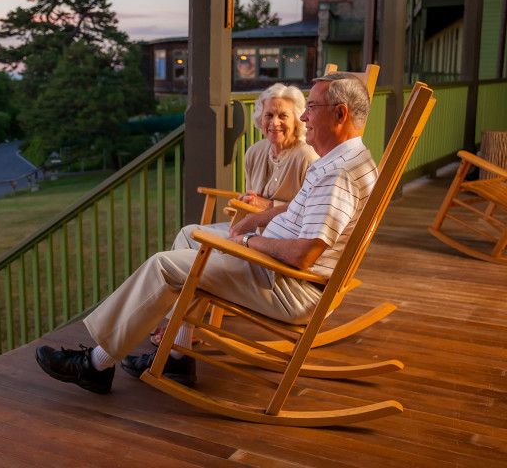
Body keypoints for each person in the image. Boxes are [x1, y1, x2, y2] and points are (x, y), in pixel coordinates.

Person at [35, 73, 377, 395]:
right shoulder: (343, 161)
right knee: (192, 246)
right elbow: (296, 214)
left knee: (166, 265)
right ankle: (178, 359)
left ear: (340, 114)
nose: (304, 119)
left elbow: (303, 255)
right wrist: (252, 226)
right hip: (276, 271)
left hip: (287, 284)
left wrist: (245, 241)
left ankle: (96, 366)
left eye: (311, 109)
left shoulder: (339, 175)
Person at [152, 83, 318, 346]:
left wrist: (265, 205)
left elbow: (306, 209)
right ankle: (180, 323)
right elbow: (253, 202)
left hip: (274, 245)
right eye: (269, 115)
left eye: (283, 115)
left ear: (297, 119)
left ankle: (178, 328)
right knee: (188, 233)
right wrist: (247, 200)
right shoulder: (255, 153)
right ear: (260, 119)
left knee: (198, 247)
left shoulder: (306, 156)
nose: (275, 122)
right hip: (249, 232)